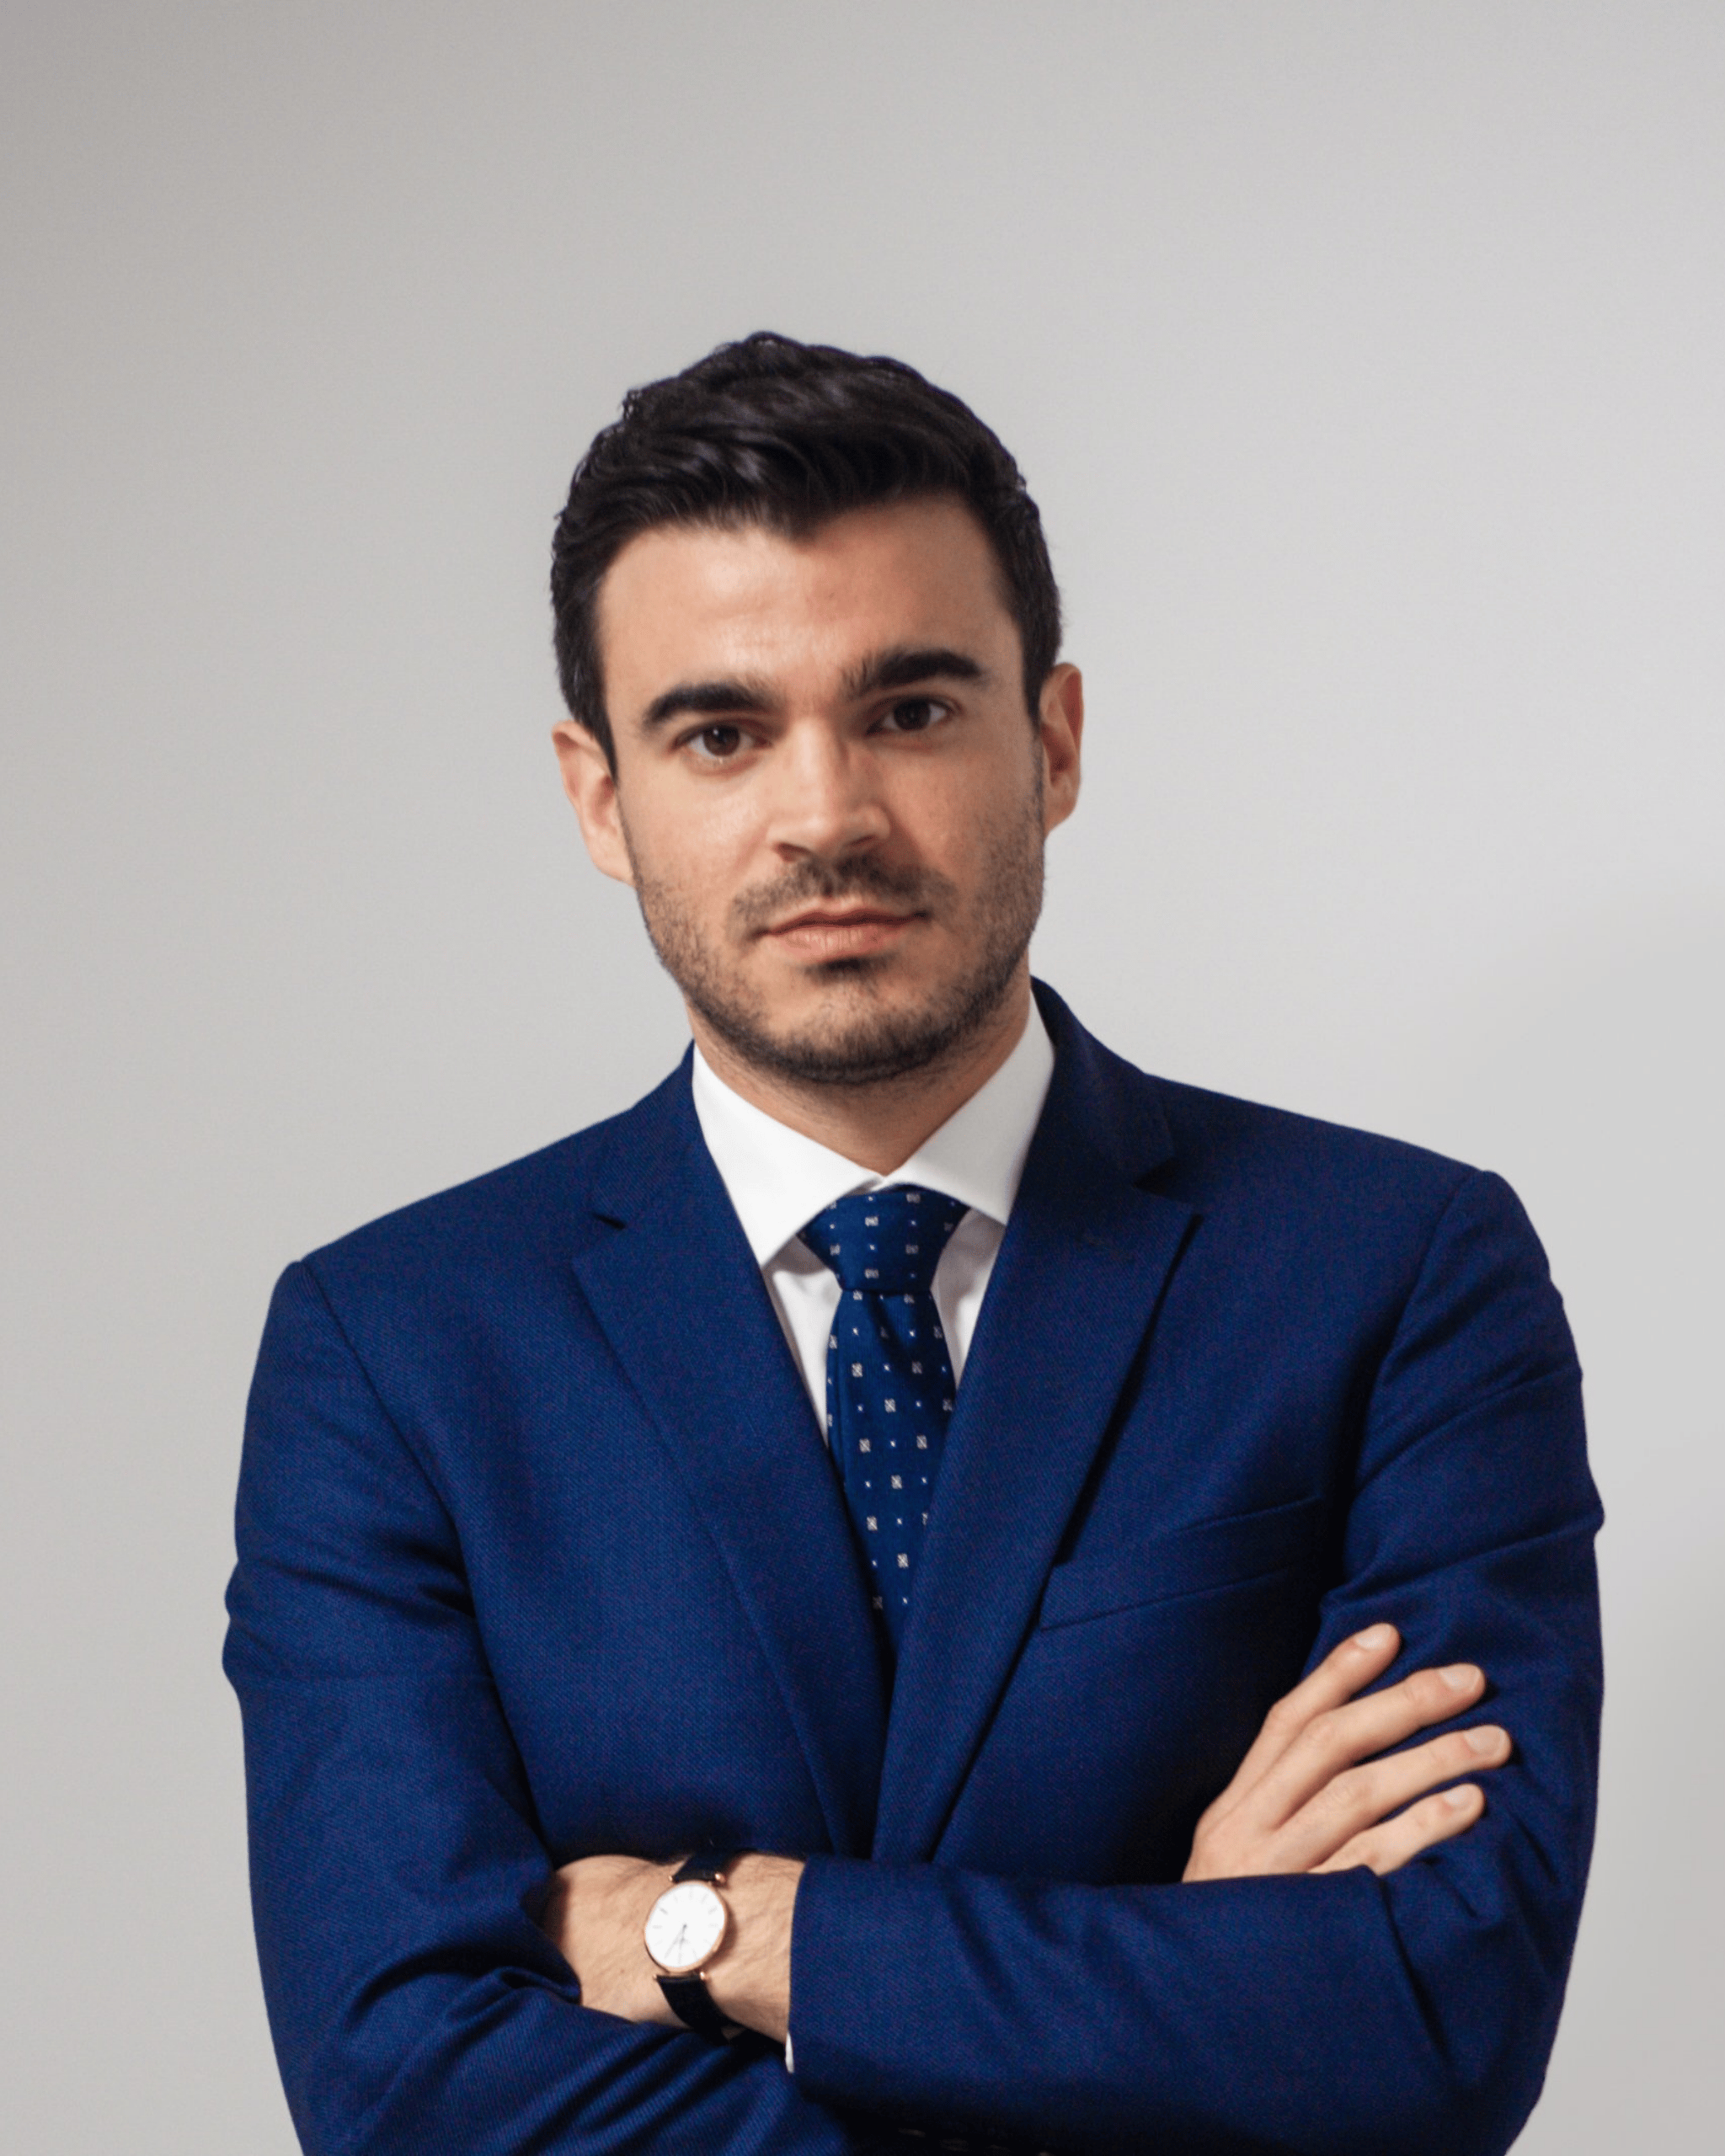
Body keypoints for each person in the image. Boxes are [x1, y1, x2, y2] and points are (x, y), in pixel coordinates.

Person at [224, 334, 1601, 2156]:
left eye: (912, 710)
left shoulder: (1398, 1273)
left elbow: (1433, 2028)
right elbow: (409, 2094)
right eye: (721, 734)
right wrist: (1186, 1982)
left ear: (1054, 739)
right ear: (599, 796)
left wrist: (725, 1931)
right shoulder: (393, 1348)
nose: (828, 817)